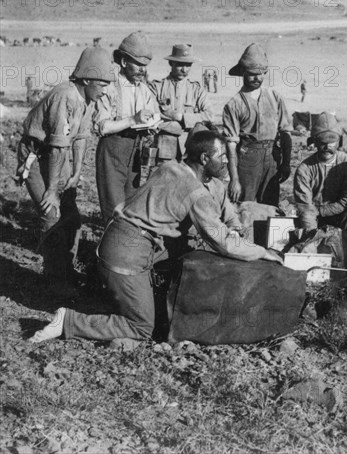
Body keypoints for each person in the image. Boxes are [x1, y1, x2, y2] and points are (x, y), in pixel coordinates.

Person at [29, 130, 283, 344]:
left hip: (123, 240)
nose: (228, 162)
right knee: (143, 326)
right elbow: (223, 241)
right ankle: (70, 321)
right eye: (222, 157)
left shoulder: (172, 168)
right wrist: (262, 252)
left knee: (186, 251)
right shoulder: (195, 192)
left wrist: (235, 225)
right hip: (128, 251)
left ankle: (120, 290)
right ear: (205, 158)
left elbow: (224, 207)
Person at [16, 47, 114, 284]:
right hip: (38, 156)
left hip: (55, 157)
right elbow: (58, 146)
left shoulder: (88, 99)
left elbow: (80, 137)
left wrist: (77, 173)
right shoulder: (65, 96)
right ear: (87, 79)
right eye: (102, 84)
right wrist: (51, 190)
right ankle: (53, 278)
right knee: (52, 214)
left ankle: (66, 269)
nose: (104, 90)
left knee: (71, 217)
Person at [94, 31, 160, 223]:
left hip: (137, 152)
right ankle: (108, 251)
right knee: (114, 208)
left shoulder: (144, 89)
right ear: (123, 62)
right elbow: (102, 127)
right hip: (112, 151)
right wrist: (133, 120)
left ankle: (126, 249)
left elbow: (154, 115)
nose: (142, 70)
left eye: (145, 66)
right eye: (138, 65)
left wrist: (153, 125)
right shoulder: (108, 87)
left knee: (133, 206)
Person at [222, 43, 292, 206]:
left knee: (270, 206)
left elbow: (286, 132)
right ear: (242, 72)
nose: (257, 78)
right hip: (247, 157)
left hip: (273, 157)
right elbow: (231, 145)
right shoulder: (234, 104)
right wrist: (234, 179)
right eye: (252, 74)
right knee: (244, 205)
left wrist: (286, 163)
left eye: (261, 74)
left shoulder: (274, 96)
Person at [293, 112, 347, 269]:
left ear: (339, 142)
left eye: (332, 142)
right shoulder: (305, 169)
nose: (327, 147)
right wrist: (312, 237)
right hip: (310, 215)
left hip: (337, 213)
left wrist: (320, 211)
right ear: (314, 142)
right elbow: (304, 206)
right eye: (322, 142)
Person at [150, 44, 213, 163]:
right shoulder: (156, 87)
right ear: (171, 63)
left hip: (190, 150)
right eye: (180, 64)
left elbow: (209, 115)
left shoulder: (197, 90)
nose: (184, 69)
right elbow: (153, 116)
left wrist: (181, 117)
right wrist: (179, 125)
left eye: (188, 65)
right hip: (164, 148)